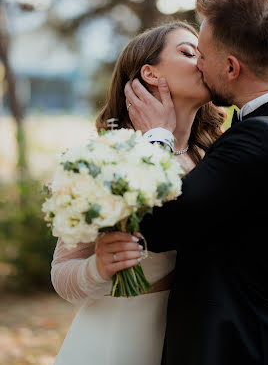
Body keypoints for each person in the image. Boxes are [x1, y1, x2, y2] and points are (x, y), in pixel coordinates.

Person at [124, 0, 268, 365]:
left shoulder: (259, 137)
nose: (198, 64)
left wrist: (156, 138)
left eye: (201, 55)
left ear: (231, 67)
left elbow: (158, 225)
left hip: (240, 348)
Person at [51, 21, 225, 365]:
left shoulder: (215, 157)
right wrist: (99, 268)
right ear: (150, 73)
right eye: (189, 52)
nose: (203, 62)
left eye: (205, 54)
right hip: (118, 339)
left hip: (194, 339)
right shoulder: (109, 157)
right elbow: (62, 273)